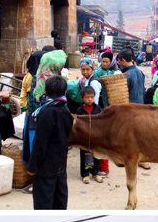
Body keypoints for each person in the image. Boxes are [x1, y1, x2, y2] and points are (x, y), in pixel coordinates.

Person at [26, 75, 73, 210]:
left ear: (45, 92)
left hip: (45, 169)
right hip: (60, 166)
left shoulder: (46, 112)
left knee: (44, 205)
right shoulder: (66, 111)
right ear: (65, 92)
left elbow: (40, 142)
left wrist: (33, 167)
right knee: (59, 203)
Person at [75, 86, 104, 184]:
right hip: (84, 138)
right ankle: (85, 174)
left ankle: (95, 174)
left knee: (96, 156)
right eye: (87, 97)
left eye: (92, 97)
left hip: (96, 138)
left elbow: (102, 121)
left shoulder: (97, 108)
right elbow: (77, 124)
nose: (90, 99)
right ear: (82, 98)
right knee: (85, 156)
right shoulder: (79, 110)